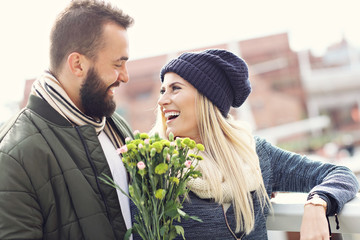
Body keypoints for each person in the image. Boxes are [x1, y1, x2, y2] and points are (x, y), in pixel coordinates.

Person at [147, 49, 359, 240]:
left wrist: (317, 203)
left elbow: (340, 174)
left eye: (175, 88)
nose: (162, 100)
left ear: (207, 99)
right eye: (162, 90)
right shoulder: (157, 165)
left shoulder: (255, 156)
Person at [0, 0, 135, 239]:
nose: (125, 76)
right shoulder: (13, 154)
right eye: (117, 64)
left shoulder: (117, 127)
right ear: (77, 64)